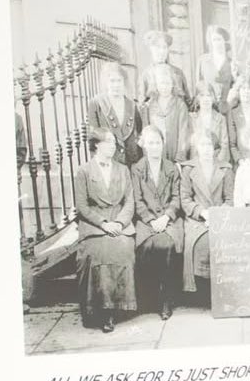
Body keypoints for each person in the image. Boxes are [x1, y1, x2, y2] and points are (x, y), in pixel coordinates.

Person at [74, 126, 137, 333]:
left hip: (119, 222)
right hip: (95, 225)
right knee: (98, 253)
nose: (113, 146)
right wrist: (103, 223)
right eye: (108, 142)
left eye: (113, 142)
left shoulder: (123, 169)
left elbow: (130, 202)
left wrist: (119, 223)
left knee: (122, 247)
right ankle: (101, 311)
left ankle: (122, 308)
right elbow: (82, 206)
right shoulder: (83, 171)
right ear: (96, 145)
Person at [130, 124, 183, 320]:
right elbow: (138, 200)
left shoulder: (171, 169)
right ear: (144, 145)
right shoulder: (137, 169)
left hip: (169, 219)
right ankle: (149, 298)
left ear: (163, 144)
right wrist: (151, 220)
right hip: (147, 221)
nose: (154, 147)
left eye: (157, 142)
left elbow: (176, 198)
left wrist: (166, 217)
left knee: (168, 244)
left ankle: (166, 300)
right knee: (146, 245)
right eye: (150, 143)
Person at [180, 132, 230, 298]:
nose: (206, 149)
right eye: (202, 145)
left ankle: (221, 290)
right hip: (197, 219)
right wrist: (202, 213)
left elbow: (230, 199)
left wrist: (216, 215)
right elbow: (185, 199)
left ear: (215, 148)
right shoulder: (188, 169)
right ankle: (201, 293)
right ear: (197, 148)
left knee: (222, 242)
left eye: (209, 145)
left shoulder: (225, 168)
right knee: (201, 243)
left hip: (220, 217)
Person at [86, 63, 143, 169]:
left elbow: (139, 131)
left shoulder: (132, 105)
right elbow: (93, 138)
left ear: (124, 82)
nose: (116, 85)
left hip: (131, 163)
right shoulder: (97, 104)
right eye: (112, 81)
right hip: (108, 162)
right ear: (106, 83)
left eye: (119, 81)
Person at [145, 65, 192, 163]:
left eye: (167, 83)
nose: (165, 87)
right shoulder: (149, 106)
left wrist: (180, 157)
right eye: (162, 83)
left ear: (173, 84)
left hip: (174, 154)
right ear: (156, 85)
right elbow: (146, 133)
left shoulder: (180, 105)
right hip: (156, 155)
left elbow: (184, 133)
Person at [139, 30, 192, 107]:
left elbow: (187, 100)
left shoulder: (177, 73)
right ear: (151, 48)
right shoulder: (146, 74)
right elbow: (142, 103)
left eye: (164, 47)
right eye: (157, 47)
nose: (161, 51)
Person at [196, 25, 235, 113]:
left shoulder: (231, 63)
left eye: (219, 39)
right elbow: (199, 84)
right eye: (214, 40)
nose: (217, 43)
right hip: (209, 108)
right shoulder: (203, 61)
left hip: (227, 109)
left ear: (224, 41)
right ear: (210, 41)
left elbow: (234, 86)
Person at [189, 81, 227, 156]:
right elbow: (191, 146)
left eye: (208, 95)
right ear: (197, 98)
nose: (205, 99)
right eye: (202, 95)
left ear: (213, 98)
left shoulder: (220, 119)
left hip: (216, 161)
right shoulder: (192, 118)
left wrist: (218, 163)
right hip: (197, 160)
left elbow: (224, 145)